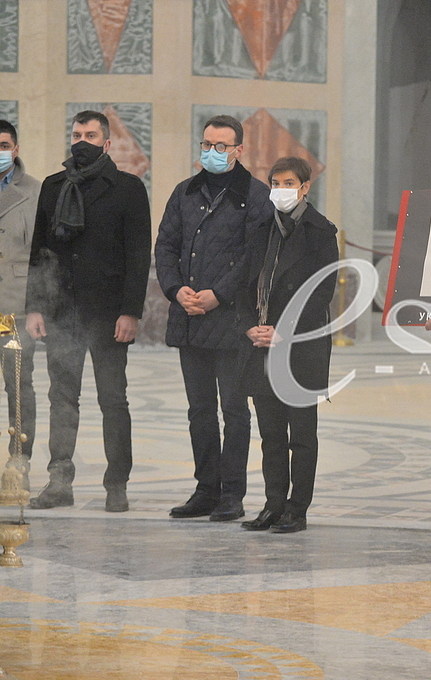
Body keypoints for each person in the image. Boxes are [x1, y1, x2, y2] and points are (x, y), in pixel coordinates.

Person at [25, 110, 151, 512]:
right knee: (61, 398)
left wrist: (131, 312)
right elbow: (39, 250)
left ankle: (117, 485)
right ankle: (59, 480)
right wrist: (35, 307)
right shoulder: (53, 186)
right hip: (62, 311)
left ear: (107, 143)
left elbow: (138, 256)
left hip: (109, 314)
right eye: (77, 134)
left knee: (113, 399)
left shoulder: (128, 188)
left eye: (91, 135)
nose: (82, 141)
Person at [155, 114, 274, 522]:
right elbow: (166, 247)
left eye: (221, 146)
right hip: (189, 317)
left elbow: (252, 257)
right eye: (207, 144)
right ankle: (205, 490)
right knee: (199, 410)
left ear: (238, 150)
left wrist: (217, 295)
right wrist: (176, 291)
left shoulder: (256, 196)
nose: (212, 152)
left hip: (232, 319)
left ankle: (231, 494)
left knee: (235, 410)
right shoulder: (184, 192)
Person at [237, 157, 338, 534]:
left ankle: (298, 508)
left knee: (302, 435)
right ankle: (273, 504)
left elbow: (322, 293)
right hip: (261, 345)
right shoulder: (261, 229)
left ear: (305, 186)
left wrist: (282, 329)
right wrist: (251, 326)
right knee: (271, 434)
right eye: (275, 182)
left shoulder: (321, 232)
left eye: (289, 182)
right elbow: (245, 284)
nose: (281, 189)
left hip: (301, 347)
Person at [0, 119, 41, 490]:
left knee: (18, 387)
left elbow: (43, 255)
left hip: (14, 307)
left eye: (4, 144)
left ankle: (18, 463)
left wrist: (38, 307)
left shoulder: (36, 192)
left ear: (15, 148)